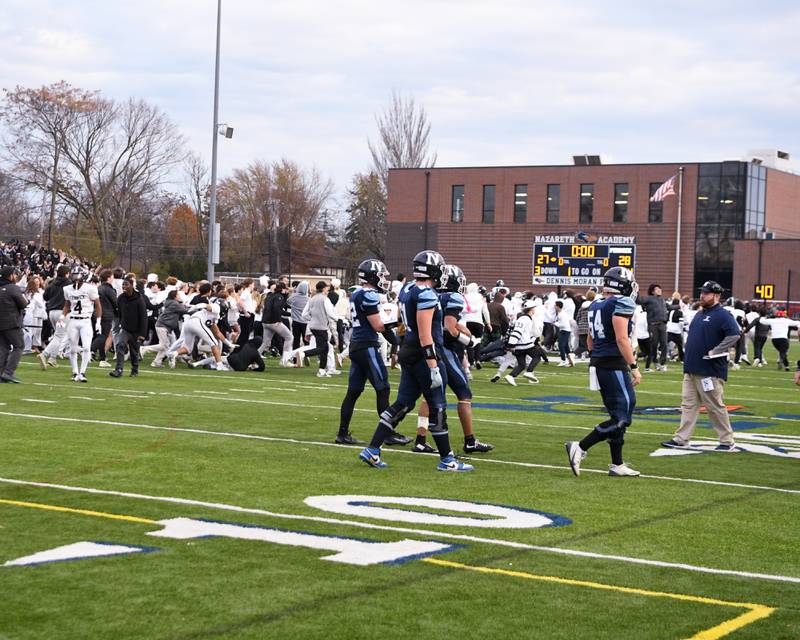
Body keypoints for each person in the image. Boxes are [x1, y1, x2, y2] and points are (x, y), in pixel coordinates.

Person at [358, 250, 473, 472]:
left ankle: (372, 449)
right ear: (434, 270)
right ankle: (447, 459)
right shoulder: (426, 294)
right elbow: (425, 333)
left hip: (408, 350)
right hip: (423, 354)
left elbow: (402, 321)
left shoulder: (408, 289)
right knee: (437, 405)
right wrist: (433, 365)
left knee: (403, 403)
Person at [565, 267, 642, 477]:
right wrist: (634, 368)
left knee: (617, 413)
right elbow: (621, 339)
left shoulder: (596, 304)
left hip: (600, 362)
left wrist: (597, 356)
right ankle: (580, 447)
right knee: (622, 416)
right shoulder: (621, 302)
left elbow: (590, 339)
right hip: (612, 364)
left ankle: (617, 464)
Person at [413, 264, 494, 454]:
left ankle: (420, 439)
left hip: (432, 349)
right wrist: (469, 341)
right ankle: (470, 440)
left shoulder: (432, 294)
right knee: (465, 395)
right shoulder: (454, 296)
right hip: (447, 351)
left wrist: (461, 328)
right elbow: (449, 327)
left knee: (428, 396)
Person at [661, 281, 742, 451]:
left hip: (709, 370)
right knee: (688, 405)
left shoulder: (723, 315)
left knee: (714, 406)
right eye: (702, 292)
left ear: (717, 296)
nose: (702, 296)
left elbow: (734, 334)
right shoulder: (700, 313)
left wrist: (717, 350)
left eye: (706, 293)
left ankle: (727, 441)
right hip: (692, 368)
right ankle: (681, 438)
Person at [336, 259, 408, 446]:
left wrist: (395, 338)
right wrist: (399, 322)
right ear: (372, 276)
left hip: (357, 345)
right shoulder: (369, 295)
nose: (383, 279)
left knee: (353, 392)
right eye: (381, 275)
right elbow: (378, 325)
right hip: (367, 346)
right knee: (383, 388)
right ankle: (387, 433)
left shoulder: (358, 293)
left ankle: (342, 433)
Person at [61, 266, 102, 383]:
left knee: (86, 347)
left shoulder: (90, 288)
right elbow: (67, 305)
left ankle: (82, 372)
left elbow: (98, 305)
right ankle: (75, 372)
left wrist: (98, 321)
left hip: (85, 320)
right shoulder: (67, 289)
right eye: (74, 275)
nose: (76, 278)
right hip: (73, 320)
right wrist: (62, 317)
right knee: (72, 348)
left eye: (78, 275)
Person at [109, 277, 148, 378]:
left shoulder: (139, 299)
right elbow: (119, 313)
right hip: (125, 329)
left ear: (131, 285)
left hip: (137, 330)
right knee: (119, 345)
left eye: (126, 284)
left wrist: (142, 334)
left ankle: (134, 370)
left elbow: (144, 317)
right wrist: (121, 323)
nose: (124, 287)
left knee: (134, 352)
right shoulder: (121, 298)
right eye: (123, 285)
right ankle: (119, 369)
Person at [502, 297, 545, 385]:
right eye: (534, 308)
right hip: (524, 344)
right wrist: (511, 345)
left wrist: (512, 345)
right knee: (537, 356)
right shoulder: (525, 319)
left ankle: (510, 376)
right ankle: (529, 372)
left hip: (518, 345)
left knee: (521, 365)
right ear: (531, 309)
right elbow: (517, 332)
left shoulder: (524, 318)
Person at [0, 266, 28, 383]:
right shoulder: (12, 288)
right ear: (10, 275)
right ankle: (8, 372)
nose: (16, 276)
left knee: (3, 348)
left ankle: (1, 373)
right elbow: (23, 303)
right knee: (19, 346)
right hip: (11, 323)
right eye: (14, 274)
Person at [639, 283, 669, 371]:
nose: (659, 290)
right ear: (652, 291)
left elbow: (669, 307)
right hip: (653, 325)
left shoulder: (663, 300)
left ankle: (662, 363)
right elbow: (639, 300)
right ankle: (655, 362)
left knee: (664, 343)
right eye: (657, 289)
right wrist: (635, 291)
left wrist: (679, 306)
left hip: (662, 324)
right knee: (654, 345)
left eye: (660, 288)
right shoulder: (649, 298)